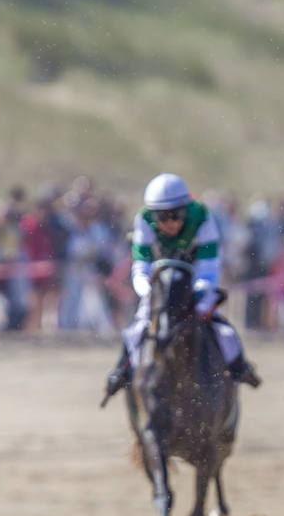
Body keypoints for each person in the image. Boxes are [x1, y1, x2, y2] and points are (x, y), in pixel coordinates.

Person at [102, 173, 261, 404]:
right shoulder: (144, 220)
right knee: (137, 330)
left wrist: (198, 297)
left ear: (186, 209)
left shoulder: (203, 217)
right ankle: (121, 372)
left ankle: (240, 367)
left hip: (196, 283)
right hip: (158, 287)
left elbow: (209, 267)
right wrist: (152, 294)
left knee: (223, 331)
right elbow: (141, 268)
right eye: (162, 216)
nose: (170, 223)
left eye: (176, 214)